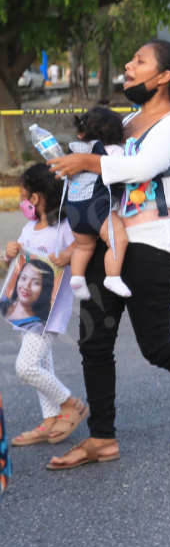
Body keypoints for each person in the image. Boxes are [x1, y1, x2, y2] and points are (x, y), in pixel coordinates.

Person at [46, 40, 170, 469]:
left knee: (155, 344)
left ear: (164, 76)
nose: (129, 67)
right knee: (94, 342)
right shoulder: (129, 119)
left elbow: (141, 168)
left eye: (139, 62)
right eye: (130, 60)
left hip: (151, 243)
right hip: (108, 240)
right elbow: (101, 172)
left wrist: (87, 164)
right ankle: (102, 438)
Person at [4, 163, 86, 447]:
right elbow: (19, 264)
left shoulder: (64, 228)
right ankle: (50, 420)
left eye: (23, 194)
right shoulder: (29, 228)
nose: (21, 200)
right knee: (41, 363)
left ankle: (71, 404)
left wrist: (66, 253)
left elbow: (84, 244)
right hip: (29, 311)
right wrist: (8, 254)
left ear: (35, 198)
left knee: (26, 367)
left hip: (50, 313)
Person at [64, 107, 130, 301]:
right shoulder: (115, 151)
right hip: (99, 210)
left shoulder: (75, 152)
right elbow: (123, 172)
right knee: (118, 240)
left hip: (74, 210)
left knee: (83, 247)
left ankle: (77, 278)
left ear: (81, 132)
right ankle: (113, 277)